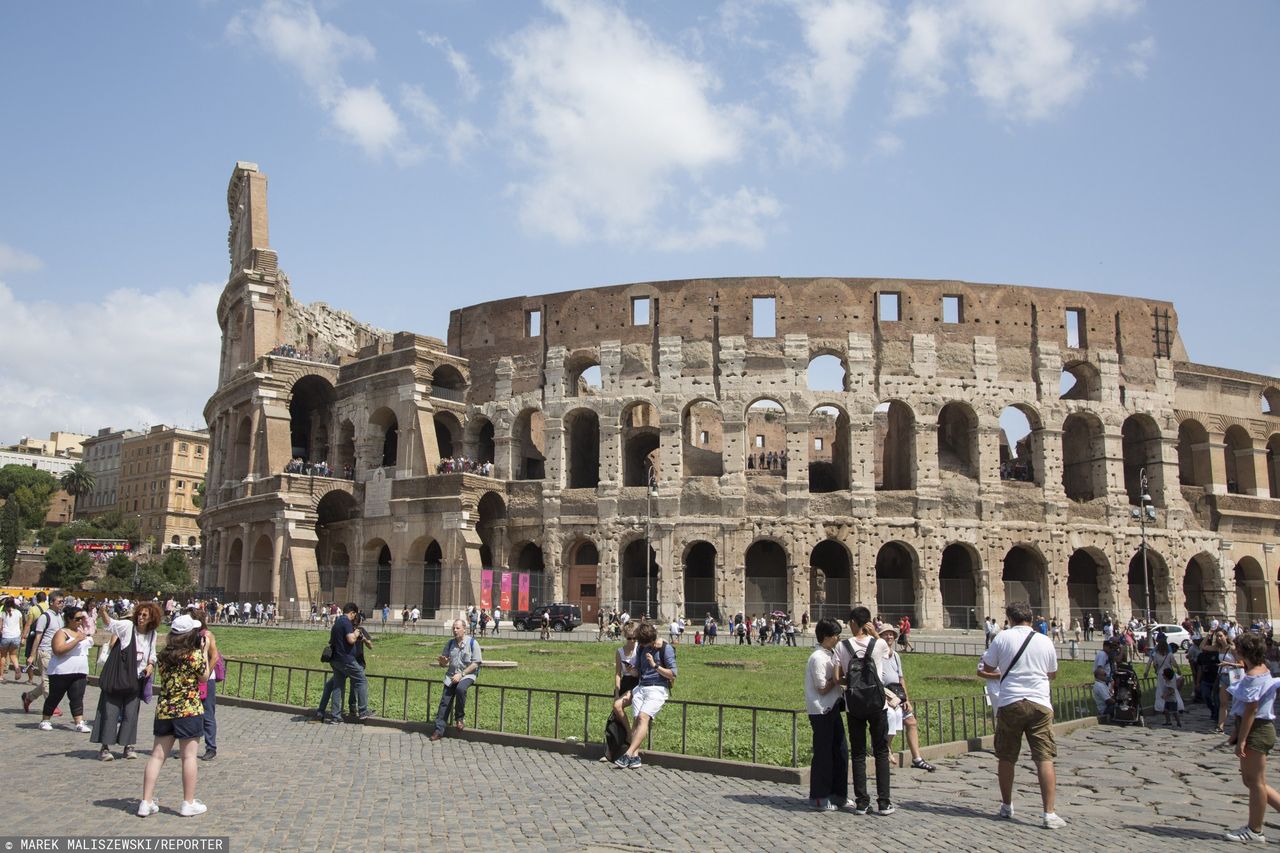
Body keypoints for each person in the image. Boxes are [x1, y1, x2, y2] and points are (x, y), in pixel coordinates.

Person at [979, 601, 1064, 829]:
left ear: (1009, 618)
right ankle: (1049, 814)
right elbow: (1053, 673)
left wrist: (1003, 672)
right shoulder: (1044, 640)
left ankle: (1007, 806)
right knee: (1044, 758)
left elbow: (985, 667)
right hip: (1039, 703)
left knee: (1006, 757)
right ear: (1032, 617)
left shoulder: (1003, 638)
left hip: (1011, 702)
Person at [137, 614, 212, 818]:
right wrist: (203, 652)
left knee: (156, 756)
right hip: (188, 709)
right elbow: (204, 676)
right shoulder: (194, 655)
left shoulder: (163, 656)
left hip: (165, 708)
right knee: (189, 757)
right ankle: (188, 802)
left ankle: (146, 801)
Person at [836, 606, 893, 815]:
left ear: (852, 622)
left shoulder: (843, 646)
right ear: (868, 623)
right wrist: (876, 634)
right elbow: (889, 654)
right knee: (881, 752)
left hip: (854, 704)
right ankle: (885, 802)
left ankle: (861, 802)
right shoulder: (878, 644)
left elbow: (839, 675)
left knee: (858, 754)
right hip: (878, 704)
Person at [1224, 632, 1280, 843]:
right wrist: (1237, 733)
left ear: (1242, 651)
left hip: (1257, 730)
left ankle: (1255, 830)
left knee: (1255, 782)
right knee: (1251, 781)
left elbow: (1250, 711)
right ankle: (1254, 828)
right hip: (1255, 729)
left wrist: (1243, 739)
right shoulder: (1258, 669)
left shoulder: (1253, 677)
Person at [91, 602, 161, 761]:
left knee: (131, 714)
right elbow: (110, 625)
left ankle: (128, 745)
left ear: (152, 618)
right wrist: (103, 611)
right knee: (110, 712)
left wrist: (150, 664)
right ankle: (105, 747)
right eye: (140, 614)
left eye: (145, 615)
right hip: (119, 676)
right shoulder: (128, 627)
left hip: (137, 678)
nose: (141, 618)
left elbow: (153, 652)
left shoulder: (152, 634)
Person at [614, 622, 676, 769]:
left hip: (657, 688)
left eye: (640, 642)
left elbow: (673, 674)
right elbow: (639, 672)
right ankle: (635, 758)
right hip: (641, 687)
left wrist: (655, 665)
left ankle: (628, 753)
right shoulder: (642, 648)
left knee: (643, 717)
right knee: (637, 721)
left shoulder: (665, 649)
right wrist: (632, 670)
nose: (638, 644)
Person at [877, 625, 936, 772]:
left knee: (911, 722)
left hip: (897, 694)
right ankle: (886, 748)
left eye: (891, 634)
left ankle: (917, 758)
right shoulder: (876, 654)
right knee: (891, 718)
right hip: (884, 694)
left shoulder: (896, 655)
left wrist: (907, 700)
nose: (889, 637)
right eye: (885, 634)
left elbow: (901, 679)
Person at [806, 618, 848, 811]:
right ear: (825, 637)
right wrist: (837, 680)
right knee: (823, 754)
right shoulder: (817, 658)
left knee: (840, 752)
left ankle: (838, 794)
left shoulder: (830, 654)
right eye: (834, 635)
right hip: (821, 710)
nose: (838, 638)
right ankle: (819, 797)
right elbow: (822, 688)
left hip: (833, 707)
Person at [39, 604, 94, 732]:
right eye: (77, 618)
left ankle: (79, 722)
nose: (80, 621)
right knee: (55, 696)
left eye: (82, 618)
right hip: (61, 671)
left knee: (77, 697)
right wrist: (76, 640)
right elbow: (58, 650)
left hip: (79, 671)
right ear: (69, 619)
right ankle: (45, 719)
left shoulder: (81, 632)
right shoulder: (61, 632)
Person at [430, 620, 481, 741]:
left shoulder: (473, 643)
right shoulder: (450, 644)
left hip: (467, 675)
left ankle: (459, 718)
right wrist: (442, 662)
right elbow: (444, 662)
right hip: (451, 676)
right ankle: (438, 730)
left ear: (464, 629)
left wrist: (462, 674)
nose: (455, 630)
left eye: (457, 628)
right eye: (453, 628)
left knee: (460, 689)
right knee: (444, 702)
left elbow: (476, 663)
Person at [321, 603, 370, 724]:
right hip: (346, 659)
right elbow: (351, 639)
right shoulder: (346, 622)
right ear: (352, 613)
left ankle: (335, 716)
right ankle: (363, 711)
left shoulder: (337, 622)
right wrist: (357, 633)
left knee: (338, 686)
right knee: (361, 680)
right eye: (355, 615)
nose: (354, 617)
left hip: (335, 660)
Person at [21, 590, 65, 714]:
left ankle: (29, 697)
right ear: (51, 602)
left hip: (56, 653)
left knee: (52, 680)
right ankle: (51, 706)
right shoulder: (44, 617)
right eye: (59, 601)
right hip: (45, 651)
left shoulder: (60, 617)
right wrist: (32, 655)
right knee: (46, 679)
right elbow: (38, 637)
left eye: (63, 601)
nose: (62, 604)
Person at [191, 610, 223, 760]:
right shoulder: (189, 635)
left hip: (206, 679)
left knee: (207, 714)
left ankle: (211, 747)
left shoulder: (207, 635)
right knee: (189, 712)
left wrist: (206, 674)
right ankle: (188, 746)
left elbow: (215, 656)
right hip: (191, 678)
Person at [612, 622, 640, 732]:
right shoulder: (620, 652)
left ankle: (630, 735)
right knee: (616, 709)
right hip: (625, 681)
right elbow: (618, 673)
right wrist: (617, 692)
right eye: (629, 638)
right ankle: (626, 734)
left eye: (635, 638)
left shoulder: (640, 649)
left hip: (637, 682)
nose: (632, 641)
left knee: (635, 713)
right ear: (624, 636)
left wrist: (634, 672)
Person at [1, 597, 22, 682]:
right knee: (13, 655)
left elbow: (0, 626)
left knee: (3, 656)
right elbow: (21, 625)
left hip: (6, 636)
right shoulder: (18, 612)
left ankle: (1, 676)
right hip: (16, 636)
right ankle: (17, 667)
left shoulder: (3, 613)